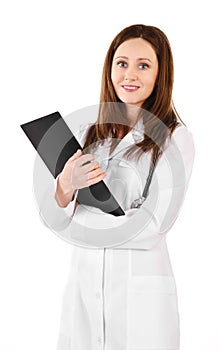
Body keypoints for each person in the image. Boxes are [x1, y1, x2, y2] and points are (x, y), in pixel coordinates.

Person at [39, 24, 195, 349]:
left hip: (141, 305)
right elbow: (53, 217)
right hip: (83, 293)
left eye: (144, 65)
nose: (130, 74)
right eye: (122, 63)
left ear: (160, 73)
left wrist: (81, 215)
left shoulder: (175, 139)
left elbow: (153, 227)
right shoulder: (87, 134)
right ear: (110, 68)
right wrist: (65, 184)